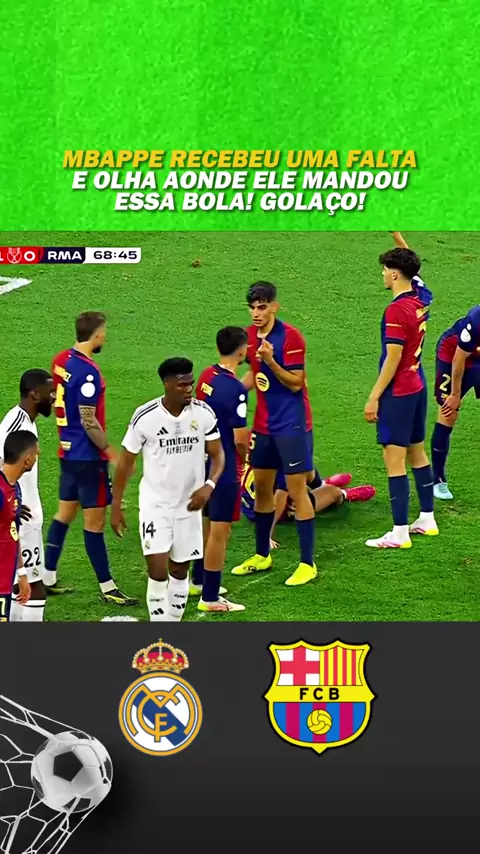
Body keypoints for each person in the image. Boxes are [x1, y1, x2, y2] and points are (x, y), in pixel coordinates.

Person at [110, 357, 225, 622]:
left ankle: (172, 626)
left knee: (180, 572)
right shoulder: (145, 417)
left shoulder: (203, 414)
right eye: (182, 385)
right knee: (158, 572)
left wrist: (209, 486)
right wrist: (116, 505)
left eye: (191, 383)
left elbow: (218, 455)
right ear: (167, 384)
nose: (189, 389)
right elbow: (126, 463)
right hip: (156, 505)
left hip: (189, 507)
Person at [45, 311, 137, 605]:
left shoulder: (60, 360)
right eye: (103, 332)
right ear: (96, 335)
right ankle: (108, 587)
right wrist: (110, 452)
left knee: (64, 514)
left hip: (67, 452)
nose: (105, 336)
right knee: (94, 524)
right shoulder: (88, 372)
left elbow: (56, 400)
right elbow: (88, 419)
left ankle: (47, 577)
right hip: (88, 458)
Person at [232, 282, 317, 586]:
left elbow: (295, 382)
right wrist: (233, 391)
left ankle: (307, 564)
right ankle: (261, 555)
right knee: (263, 490)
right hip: (263, 426)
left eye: (262, 307)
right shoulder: (249, 336)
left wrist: (270, 360)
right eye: (252, 308)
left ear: (274, 307)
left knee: (296, 491)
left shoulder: (291, 337)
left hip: (292, 425)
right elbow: (253, 373)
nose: (256, 313)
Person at [364, 247, 438, 548]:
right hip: (417, 385)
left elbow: (392, 358)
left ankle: (399, 532)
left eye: (385, 269)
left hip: (399, 392)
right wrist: (397, 237)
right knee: (417, 452)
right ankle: (427, 518)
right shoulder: (420, 297)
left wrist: (374, 396)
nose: (383, 274)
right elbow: (414, 267)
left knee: (393, 459)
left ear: (395, 274)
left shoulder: (395, 311)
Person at [191, 327, 249, 613]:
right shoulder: (235, 390)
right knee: (220, 531)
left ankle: (198, 580)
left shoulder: (206, 376)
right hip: (223, 468)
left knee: (205, 522)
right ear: (242, 350)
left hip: (200, 463)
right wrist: (245, 460)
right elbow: (239, 438)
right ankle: (210, 597)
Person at [0, 370, 54, 621]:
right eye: (50, 392)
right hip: (17, 522)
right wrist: (12, 504)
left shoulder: (28, 422)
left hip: (27, 519)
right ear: (34, 394)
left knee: (22, 586)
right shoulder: (14, 424)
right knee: (31, 587)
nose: (54, 397)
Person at [240, 449, 375, 542]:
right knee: (333, 492)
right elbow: (279, 497)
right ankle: (344, 494)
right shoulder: (283, 457)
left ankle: (321, 484)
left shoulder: (255, 442)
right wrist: (267, 534)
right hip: (272, 508)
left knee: (303, 467)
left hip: (248, 502)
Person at [430, 304, 480, 499]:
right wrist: (455, 394)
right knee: (448, 414)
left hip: (477, 358)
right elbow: (459, 358)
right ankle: (438, 480)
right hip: (452, 355)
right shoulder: (477, 318)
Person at [0, 431, 37, 622]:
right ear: (27, 459)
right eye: (36, 454)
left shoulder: (14, 488)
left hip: (5, 581)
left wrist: (21, 573)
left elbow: (12, 531)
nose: (37, 458)